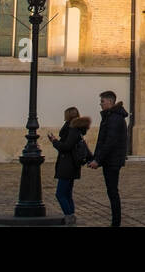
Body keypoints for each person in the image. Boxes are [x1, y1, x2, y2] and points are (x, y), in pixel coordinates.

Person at [86, 90, 128, 227]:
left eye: (102, 101)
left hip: (112, 161)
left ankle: (116, 222)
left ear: (110, 102)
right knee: (112, 191)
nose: (100, 104)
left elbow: (109, 141)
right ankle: (116, 221)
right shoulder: (111, 116)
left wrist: (98, 160)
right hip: (111, 160)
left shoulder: (114, 118)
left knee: (112, 191)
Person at [47, 107, 92, 222]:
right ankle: (71, 214)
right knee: (67, 193)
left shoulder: (72, 130)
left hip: (68, 166)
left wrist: (54, 141)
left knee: (60, 193)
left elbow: (66, 147)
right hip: (71, 165)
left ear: (67, 116)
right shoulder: (75, 129)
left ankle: (69, 215)